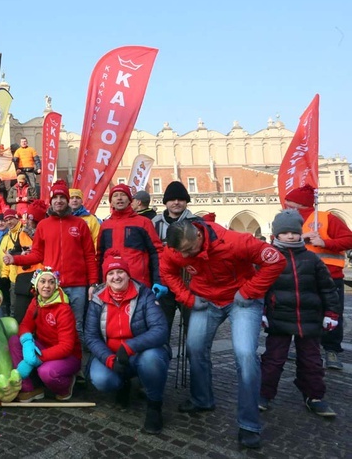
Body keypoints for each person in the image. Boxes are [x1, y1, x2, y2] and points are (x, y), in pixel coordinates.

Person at [159, 219, 286, 449]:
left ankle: (249, 425)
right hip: (206, 299)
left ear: (198, 235)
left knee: (246, 355)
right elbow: (167, 271)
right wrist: (187, 298)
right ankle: (202, 399)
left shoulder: (237, 242)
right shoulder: (175, 249)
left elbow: (276, 260)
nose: (185, 256)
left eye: (188, 250)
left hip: (242, 299)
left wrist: (250, 291)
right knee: (195, 347)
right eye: (180, 252)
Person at [260, 209, 341, 417]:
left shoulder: (312, 259)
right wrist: (261, 311)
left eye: (294, 232)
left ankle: (314, 396)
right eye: (285, 232)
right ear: (276, 234)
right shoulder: (268, 257)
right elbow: (260, 287)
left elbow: (327, 288)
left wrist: (331, 313)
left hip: (309, 319)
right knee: (273, 360)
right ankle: (264, 394)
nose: (290, 236)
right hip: (279, 318)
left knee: (311, 361)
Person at [85, 251, 170, 434]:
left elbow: (160, 329)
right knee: (101, 379)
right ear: (105, 278)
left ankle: (154, 406)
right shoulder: (98, 300)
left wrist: (129, 347)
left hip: (140, 352)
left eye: (120, 272)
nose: (116, 277)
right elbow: (91, 336)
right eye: (110, 273)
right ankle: (122, 383)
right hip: (112, 355)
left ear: (128, 273)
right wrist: (109, 359)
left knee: (152, 359)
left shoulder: (144, 295)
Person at [4, 180, 97, 341]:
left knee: (77, 326)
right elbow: (37, 255)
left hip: (77, 286)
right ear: (51, 201)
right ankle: (53, 360)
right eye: (55, 197)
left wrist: (93, 283)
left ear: (67, 200)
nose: (59, 201)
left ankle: (77, 364)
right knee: (51, 326)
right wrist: (15, 259)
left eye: (62, 197)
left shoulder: (80, 224)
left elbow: (89, 256)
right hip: (52, 285)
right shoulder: (43, 226)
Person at [283, 184, 352, 370]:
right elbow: (278, 243)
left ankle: (332, 350)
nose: (285, 203)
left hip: (330, 277)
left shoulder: (326, 217)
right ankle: (302, 348)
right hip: (300, 276)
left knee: (332, 315)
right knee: (302, 315)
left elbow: (349, 239)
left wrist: (325, 242)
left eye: (288, 201)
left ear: (298, 204)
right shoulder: (287, 220)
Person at [9, 268, 81, 403]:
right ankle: (28, 388)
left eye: (51, 282)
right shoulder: (36, 301)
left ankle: (65, 387)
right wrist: (27, 342)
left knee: (46, 372)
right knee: (14, 341)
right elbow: (25, 325)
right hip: (43, 346)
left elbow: (66, 346)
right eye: (42, 281)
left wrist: (37, 358)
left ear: (56, 285)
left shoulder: (63, 309)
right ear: (37, 284)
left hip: (68, 355)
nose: (46, 286)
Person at [151, 181, 202, 336]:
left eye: (180, 199)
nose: (176, 202)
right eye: (172, 199)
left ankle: (194, 357)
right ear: (166, 202)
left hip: (190, 283)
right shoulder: (155, 223)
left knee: (193, 330)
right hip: (164, 283)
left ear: (186, 201)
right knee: (161, 327)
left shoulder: (197, 222)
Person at [96, 184, 164, 290]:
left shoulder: (144, 222)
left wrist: (158, 280)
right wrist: (98, 282)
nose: (119, 198)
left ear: (129, 200)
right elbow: (100, 256)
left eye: (123, 195)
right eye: (115, 195)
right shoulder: (105, 225)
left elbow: (156, 252)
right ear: (111, 202)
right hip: (112, 284)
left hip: (139, 283)